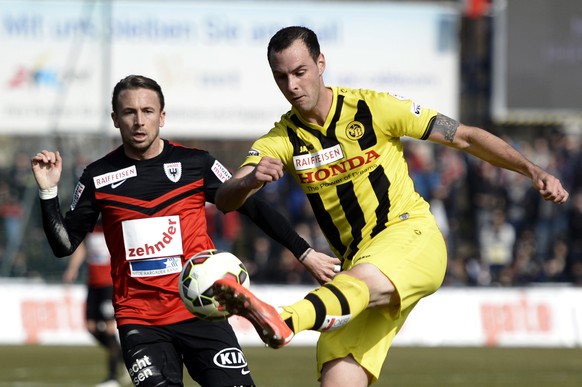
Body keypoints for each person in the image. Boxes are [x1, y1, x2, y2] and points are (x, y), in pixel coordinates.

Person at [211, 26, 570, 387]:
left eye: (300, 72)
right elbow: (226, 198)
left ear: (321, 63)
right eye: (281, 77)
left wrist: (531, 169)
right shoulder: (281, 138)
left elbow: (464, 136)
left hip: (411, 237)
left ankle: (284, 319)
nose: (292, 85)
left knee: (358, 281)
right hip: (354, 276)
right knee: (339, 377)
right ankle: (285, 320)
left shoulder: (373, 107)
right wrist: (251, 180)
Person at [30, 74, 338, 387]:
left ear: (162, 117)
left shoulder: (196, 164)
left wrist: (305, 252)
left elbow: (253, 207)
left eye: (148, 111)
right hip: (140, 319)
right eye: (129, 112)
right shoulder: (98, 176)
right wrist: (47, 192)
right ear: (115, 119)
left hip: (201, 310)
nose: (139, 121)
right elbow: (64, 244)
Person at [62, 222, 125, 387]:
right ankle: (122, 356)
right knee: (91, 328)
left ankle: (113, 377)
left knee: (109, 328)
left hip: (109, 284)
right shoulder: (89, 228)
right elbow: (81, 248)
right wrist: (72, 270)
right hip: (93, 284)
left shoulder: (113, 227)